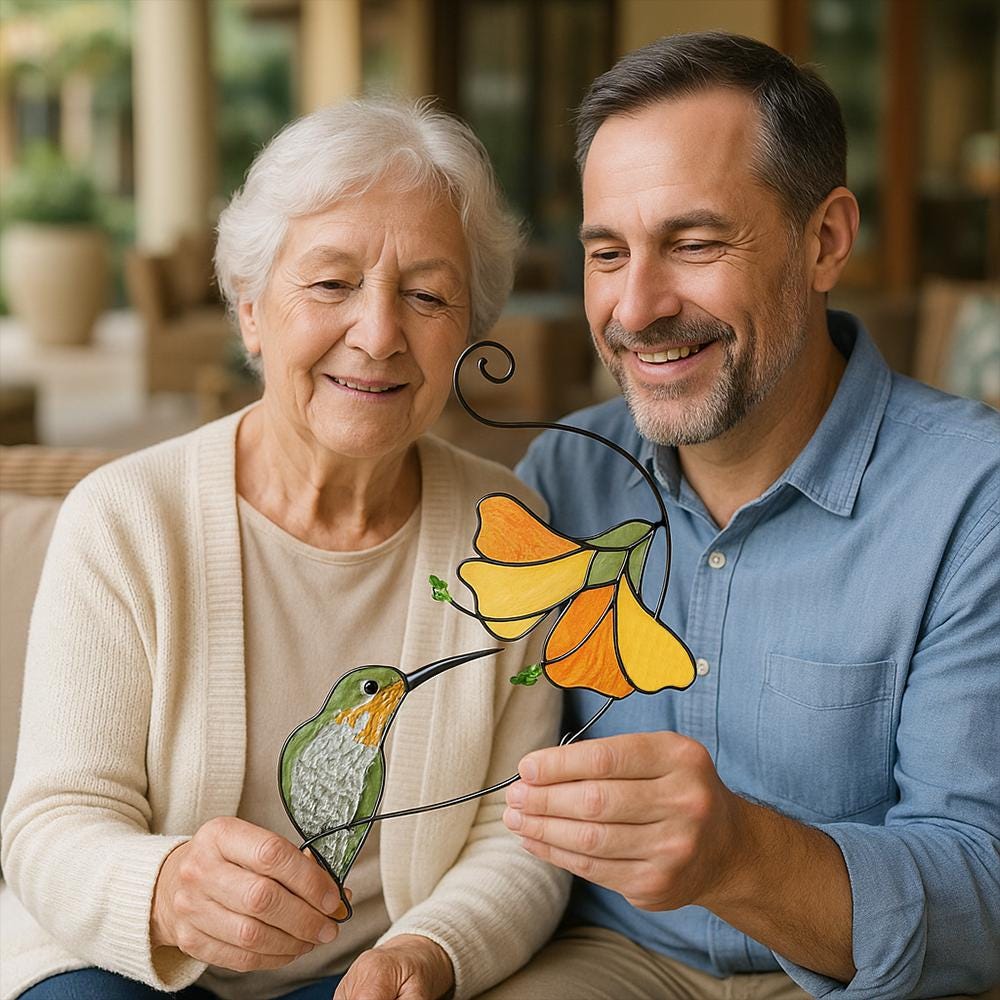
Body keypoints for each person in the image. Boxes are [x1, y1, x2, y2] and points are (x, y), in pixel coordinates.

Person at [1, 99, 567, 1000]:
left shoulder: (509, 537)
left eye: (426, 294)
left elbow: (517, 831)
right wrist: (164, 891)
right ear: (252, 310)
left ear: (467, 329)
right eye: (332, 283)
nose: (379, 334)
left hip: (364, 979)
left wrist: (430, 953)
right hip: (123, 970)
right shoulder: (125, 520)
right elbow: (54, 823)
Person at [482, 31, 1000, 1000]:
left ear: (825, 240)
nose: (636, 308)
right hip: (601, 958)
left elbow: (985, 891)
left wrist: (741, 857)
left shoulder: (976, 500)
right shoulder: (561, 477)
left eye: (694, 242)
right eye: (607, 252)